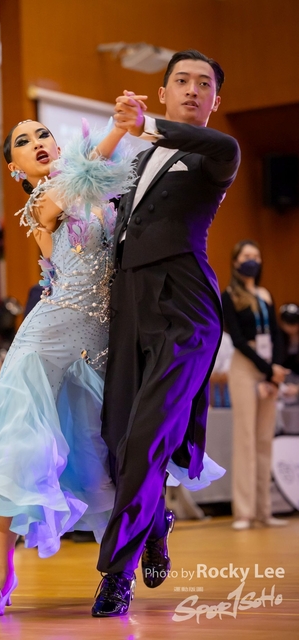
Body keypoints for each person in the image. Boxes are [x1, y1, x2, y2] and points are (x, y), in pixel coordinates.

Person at [0, 118, 136, 617]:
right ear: (14, 168)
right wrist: (117, 130)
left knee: (96, 457)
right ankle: (3, 572)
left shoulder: (101, 198)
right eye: (23, 142)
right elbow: (75, 182)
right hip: (45, 341)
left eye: (43, 134)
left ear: (59, 145)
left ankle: (122, 566)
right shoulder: (42, 201)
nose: (37, 143)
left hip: (98, 344)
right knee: (18, 450)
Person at [92, 49, 241, 617]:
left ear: (215, 101)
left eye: (204, 84)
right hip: (129, 306)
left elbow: (209, 144)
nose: (192, 89)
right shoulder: (136, 163)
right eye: (181, 80)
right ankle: (156, 524)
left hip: (185, 310)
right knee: (116, 443)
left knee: (146, 438)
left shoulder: (218, 153)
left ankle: (116, 575)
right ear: (163, 91)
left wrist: (145, 123)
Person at [222, 240, 290, 530]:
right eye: (246, 256)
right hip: (245, 366)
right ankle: (244, 512)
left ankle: (264, 510)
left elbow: (276, 334)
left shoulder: (265, 294)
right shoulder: (229, 295)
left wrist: (275, 369)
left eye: (256, 256)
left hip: (269, 368)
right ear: (236, 262)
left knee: (264, 439)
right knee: (246, 438)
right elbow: (237, 340)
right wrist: (267, 369)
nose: (252, 260)